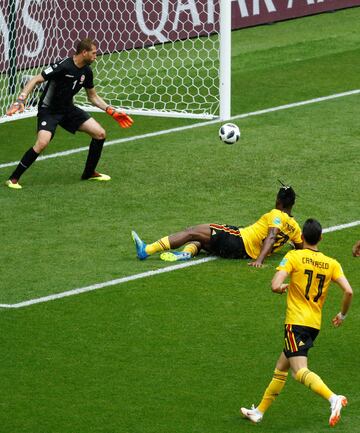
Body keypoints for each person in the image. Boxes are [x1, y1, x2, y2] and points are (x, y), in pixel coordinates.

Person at [240, 218, 353, 427]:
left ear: (301, 237)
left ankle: (333, 398)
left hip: (296, 323)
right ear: (321, 237)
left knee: (299, 371)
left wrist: (285, 287)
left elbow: (274, 285)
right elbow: (349, 291)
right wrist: (342, 315)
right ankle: (259, 412)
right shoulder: (332, 263)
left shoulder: (294, 256)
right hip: (313, 325)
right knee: (281, 368)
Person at [5, 37, 133, 189]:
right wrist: (20, 100)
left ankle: (89, 173)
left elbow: (92, 97)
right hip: (49, 110)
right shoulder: (63, 66)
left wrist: (111, 111)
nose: (96, 56)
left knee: (100, 134)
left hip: (68, 109)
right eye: (93, 53)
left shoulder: (87, 71)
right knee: (42, 143)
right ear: (84, 52)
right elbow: (35, 79)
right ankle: (13, 178)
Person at [131, 185, 303, 266]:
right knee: (203, 240)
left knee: (193, 231)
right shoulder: (295, 227)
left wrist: (260, 260)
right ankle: (186, 253)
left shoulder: (276, 215)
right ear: (292, 203)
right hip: (240, 252)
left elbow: (272, 236)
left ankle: (147, 250)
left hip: (238, 240)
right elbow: (301, 248)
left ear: (278, 200)